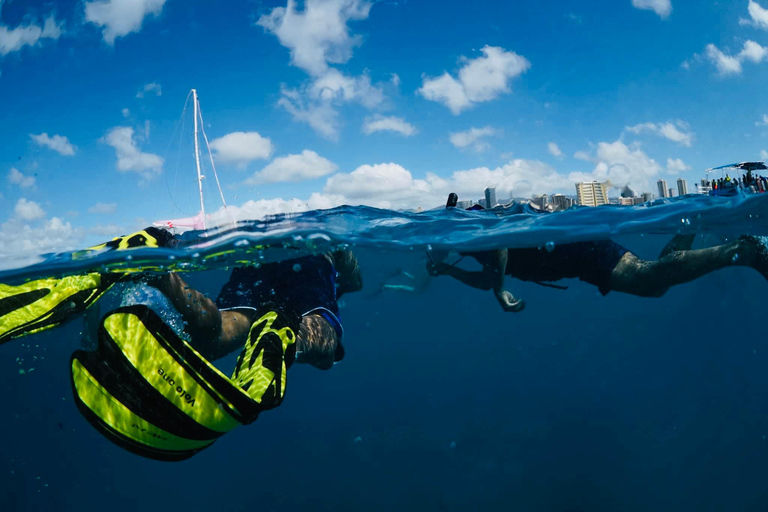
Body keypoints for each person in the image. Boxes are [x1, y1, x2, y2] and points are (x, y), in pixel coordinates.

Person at [427, 193, 768, 313]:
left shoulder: (465, 230)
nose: (434, 256)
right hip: (571, 260)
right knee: (654, 282)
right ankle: (691, 222)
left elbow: (498, 247)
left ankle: (743, 250)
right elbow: (485, 276)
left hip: (575, 250)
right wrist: (448, 272)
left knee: (647, 279)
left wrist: (500, 289)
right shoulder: (460, 242)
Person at [148, 249, 363, 369]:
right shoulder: (326, 240)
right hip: (308, 257)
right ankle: (283, 340)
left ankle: (165, 278)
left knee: (219, 334)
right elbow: (355, 279)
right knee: (324, 352)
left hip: (258, 257)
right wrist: (344, 280)